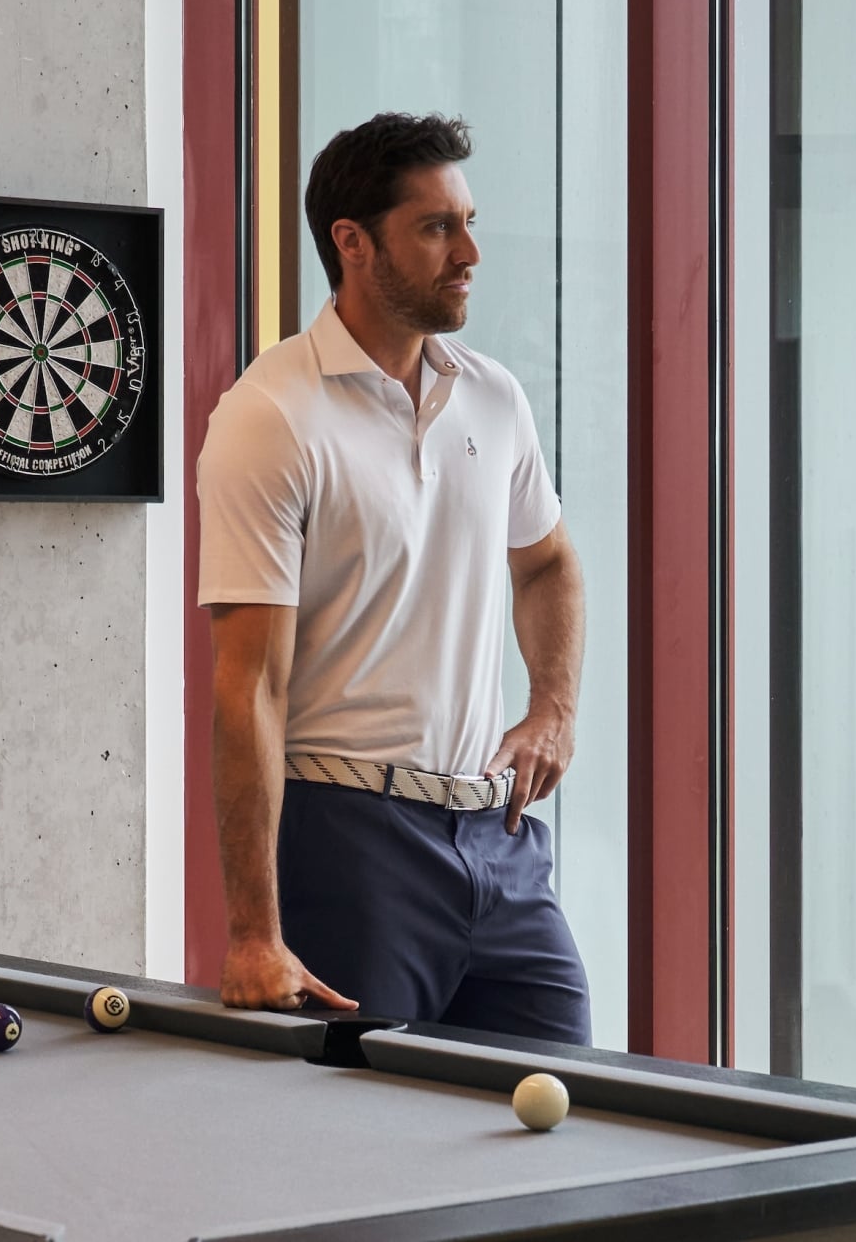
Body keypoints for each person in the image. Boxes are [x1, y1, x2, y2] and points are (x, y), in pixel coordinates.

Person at [198, 112, 591, 1042]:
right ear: (352, 243)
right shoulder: (271, 417)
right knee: (355, 1150)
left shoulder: (492, 395)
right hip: (351, 845)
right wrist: (254, 931)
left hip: (501, 846)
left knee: (570, 1114)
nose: (471, 251)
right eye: (436, 227)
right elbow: (248, 684)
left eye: (468, 221)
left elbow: (548, 563)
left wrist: (554, 710)